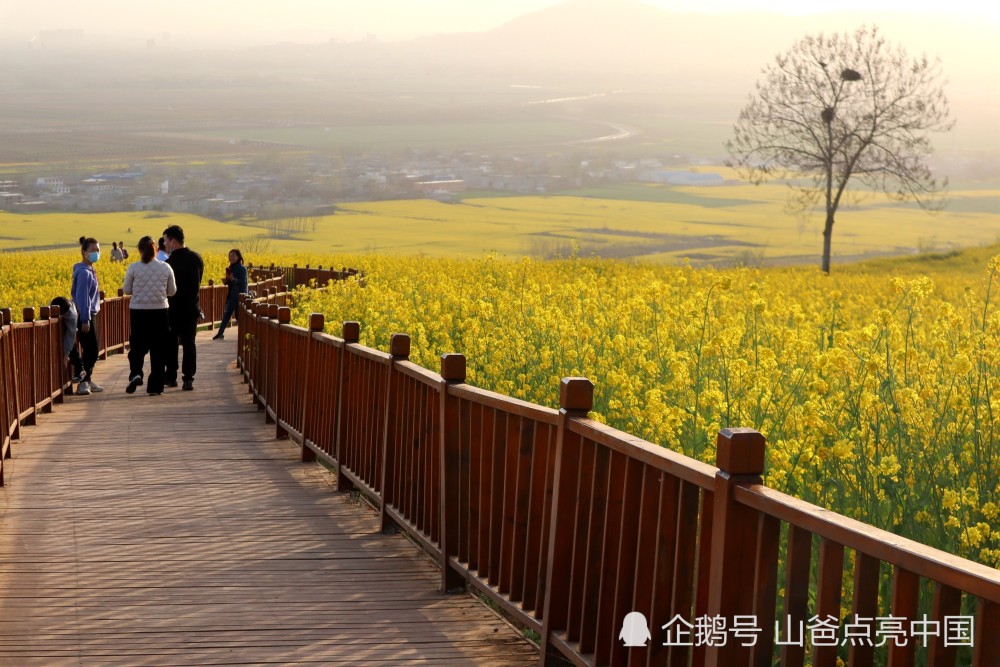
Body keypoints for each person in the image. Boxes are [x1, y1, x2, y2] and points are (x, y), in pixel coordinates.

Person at [123, 236, 176, 396]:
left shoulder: (133, 267)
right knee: (158, 349)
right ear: (156, 249)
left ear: (139, 250)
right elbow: (172, 291)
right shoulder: (166, 267)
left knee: (138, 346)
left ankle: (136, 373)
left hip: (138, 312)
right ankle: (155, 387)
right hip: (160, 312)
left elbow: (127, 290)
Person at [163, 225, 204, 391]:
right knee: (189, 343)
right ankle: (188, 379)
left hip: (173, 310)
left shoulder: (168, 263)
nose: (165, 245)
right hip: (191, 309)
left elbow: (167, 289)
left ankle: (171, 376)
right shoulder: (197, 258)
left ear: (173, 241)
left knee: (171, 343)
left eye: (166, 241)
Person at [71, 236, 103, 395]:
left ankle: (88, 380)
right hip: (85, 315)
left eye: (98, 250)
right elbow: (82, 296)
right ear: (84, 252)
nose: (96, 253)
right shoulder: (84, 273)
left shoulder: (89, 270)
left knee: (92, 349)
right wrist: (85, 319)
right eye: (93, 250)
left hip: (90, 314)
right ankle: (83, 381)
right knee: (92, 350)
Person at [213, 248, 248, 340]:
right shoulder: (231, 268)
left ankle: (244, 334)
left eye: (233, 256)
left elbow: (242, 282)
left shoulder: (242, 269)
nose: (231, 257)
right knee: (227, 314)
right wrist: (227, 281)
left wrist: (233, 279)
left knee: (238, 316)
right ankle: (220, 333)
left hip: (240, 296)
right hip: (232, 295)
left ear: (238, 257)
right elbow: (232, 282)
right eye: (230, 256)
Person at [50, 296, 84, 384]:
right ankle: (79, 368)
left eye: (61, 315)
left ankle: (79, 369)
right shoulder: (53, 305)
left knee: (70, 344)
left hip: (73, 324)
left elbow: (71, 336)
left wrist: (66, 356)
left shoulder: (72, 316)